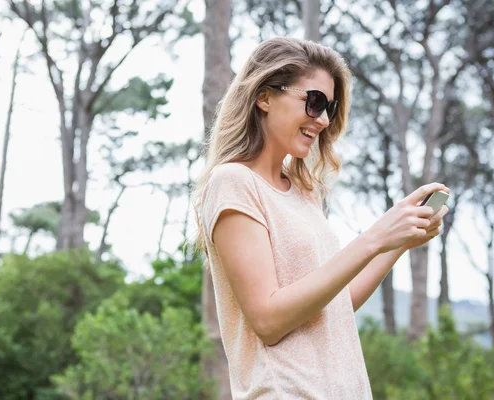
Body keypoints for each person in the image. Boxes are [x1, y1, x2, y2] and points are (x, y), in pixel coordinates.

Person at [191, 37, 450, 399]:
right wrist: (373, 238)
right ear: (264, 96)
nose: (324, 120)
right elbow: (267, 320)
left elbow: (334, 305)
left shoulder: (304, 192)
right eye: (314, 102)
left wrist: (398, 242)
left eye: (330, 107)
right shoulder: (233, 182)